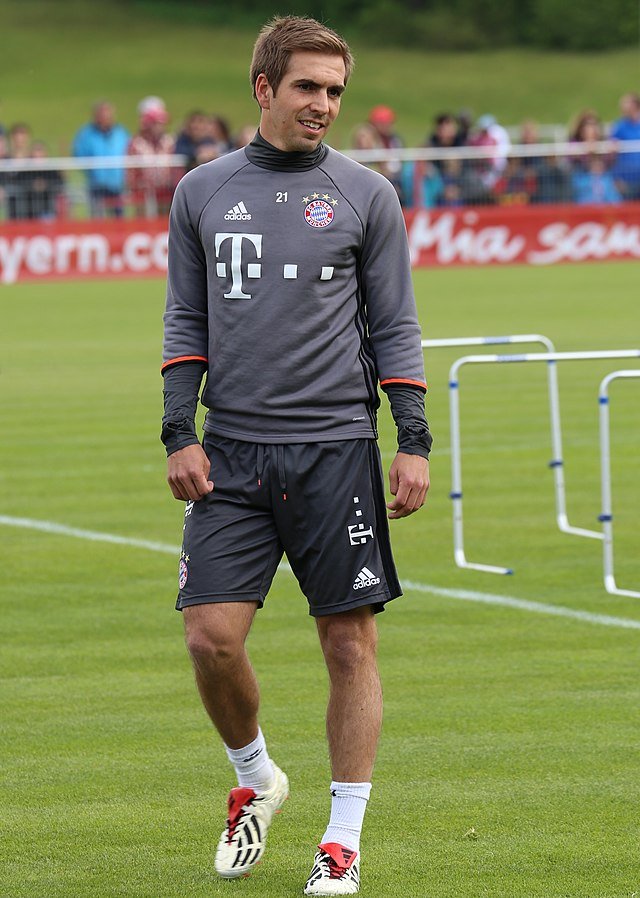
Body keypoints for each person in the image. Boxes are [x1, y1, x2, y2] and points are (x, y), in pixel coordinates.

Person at [161, 15, 431, 897]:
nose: (324, 105)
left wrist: (413, 440)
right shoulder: (202, 191)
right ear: (264, 88)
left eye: (335, 91)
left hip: (336, 450)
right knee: (210, 638)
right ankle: (257, 775)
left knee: (348, 648)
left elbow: (395, 324)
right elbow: (185, 321)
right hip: (231, 452)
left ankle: (341, 843)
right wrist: (180, 430)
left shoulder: (367, 193)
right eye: (309, 86)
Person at [72, 101, 130, 218]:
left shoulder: (120, 133)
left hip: (117, 184)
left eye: (108, 115)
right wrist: (92, 170)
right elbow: (79, 154)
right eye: (102, 115)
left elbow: (129, 151)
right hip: (97, 184)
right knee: (98, 218)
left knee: (119, 218)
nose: (106, 119)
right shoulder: (86, 134)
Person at [128, 96, 177, 216]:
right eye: (155, 123)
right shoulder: (137, 143)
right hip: (143, 194)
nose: (159, 127)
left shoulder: (169, 142)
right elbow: (131, 171)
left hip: (166, 192)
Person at [609, 92, 640, 200]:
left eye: (625, 103)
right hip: (627, 181)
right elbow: (612, 154)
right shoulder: (619, 126)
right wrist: (616, 178)